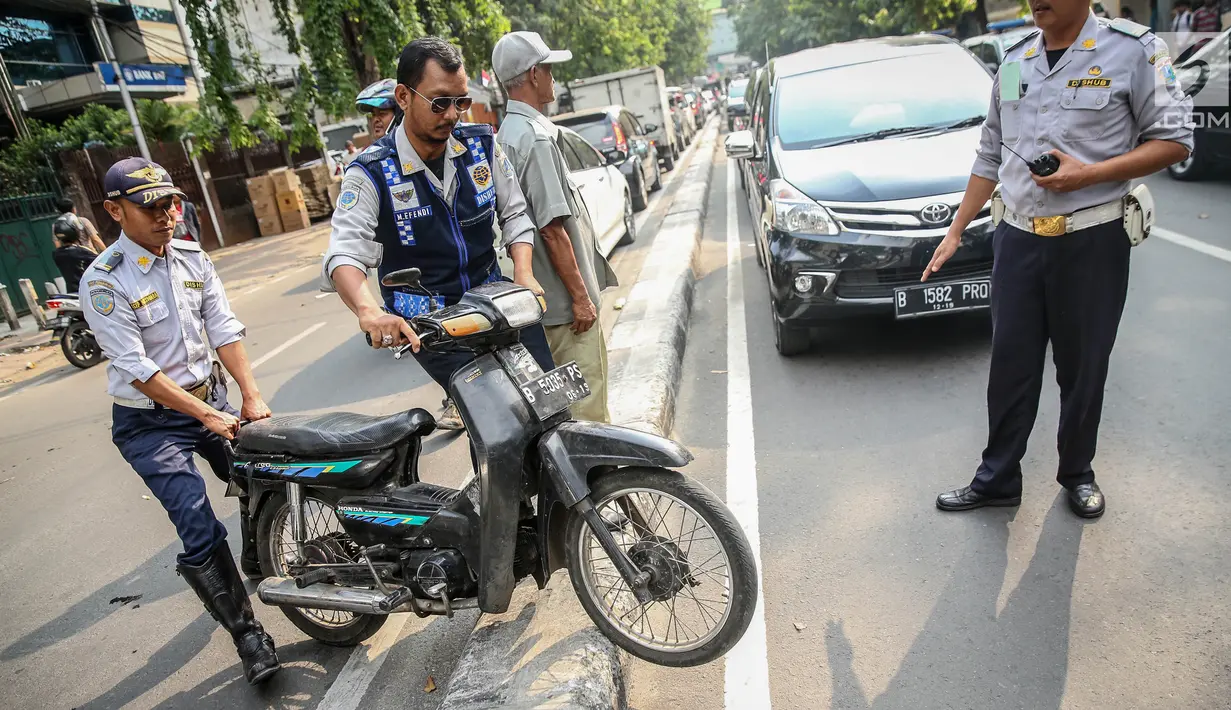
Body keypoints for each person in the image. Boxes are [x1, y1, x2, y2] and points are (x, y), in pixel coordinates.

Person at [925, 3, 1193, 519]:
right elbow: (990, 152)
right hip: (1018, 238)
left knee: (1082, 366)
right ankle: (998, 477)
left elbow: (1175, 140)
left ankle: (1078, 473)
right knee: (1009, 365)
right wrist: (957, 230)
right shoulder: (1014, 59)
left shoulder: (1133, 50)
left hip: (1091, 239)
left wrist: (1087, 175)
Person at [80, 158, 280, 685]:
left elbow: (224, 327)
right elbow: (137, 370)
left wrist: (250, 396)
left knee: (264, 474)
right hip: (150, 423)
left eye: (170, 202)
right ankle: (249, 635)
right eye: (150, 207)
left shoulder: (192, 258)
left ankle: (258, 557)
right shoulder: (103, 282)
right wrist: (208, 415)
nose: (166, 215)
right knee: (196, 522)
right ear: (115, 211)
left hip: (208, 398)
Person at [323, 37, 554, 431]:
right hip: (433, 325)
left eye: (460, 102)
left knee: (550, 403)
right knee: (500, 424)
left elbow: (515, 213)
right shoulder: (371, 172)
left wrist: (525, 272)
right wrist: (369, 311)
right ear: (403, 97)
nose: (452, 115)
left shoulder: (481, 145)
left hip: (495, 301)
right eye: (439, 102)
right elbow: (345, 252)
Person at [492, 31, 617, 423]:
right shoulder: (535, 139)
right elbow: (552, 229)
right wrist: (581, 297)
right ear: (533, 75)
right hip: (566, 309)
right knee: (588, 413)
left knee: (563, 412)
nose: (552, 78)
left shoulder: (506, 135)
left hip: (544, 307)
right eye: (547, 69)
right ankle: (600, 485)